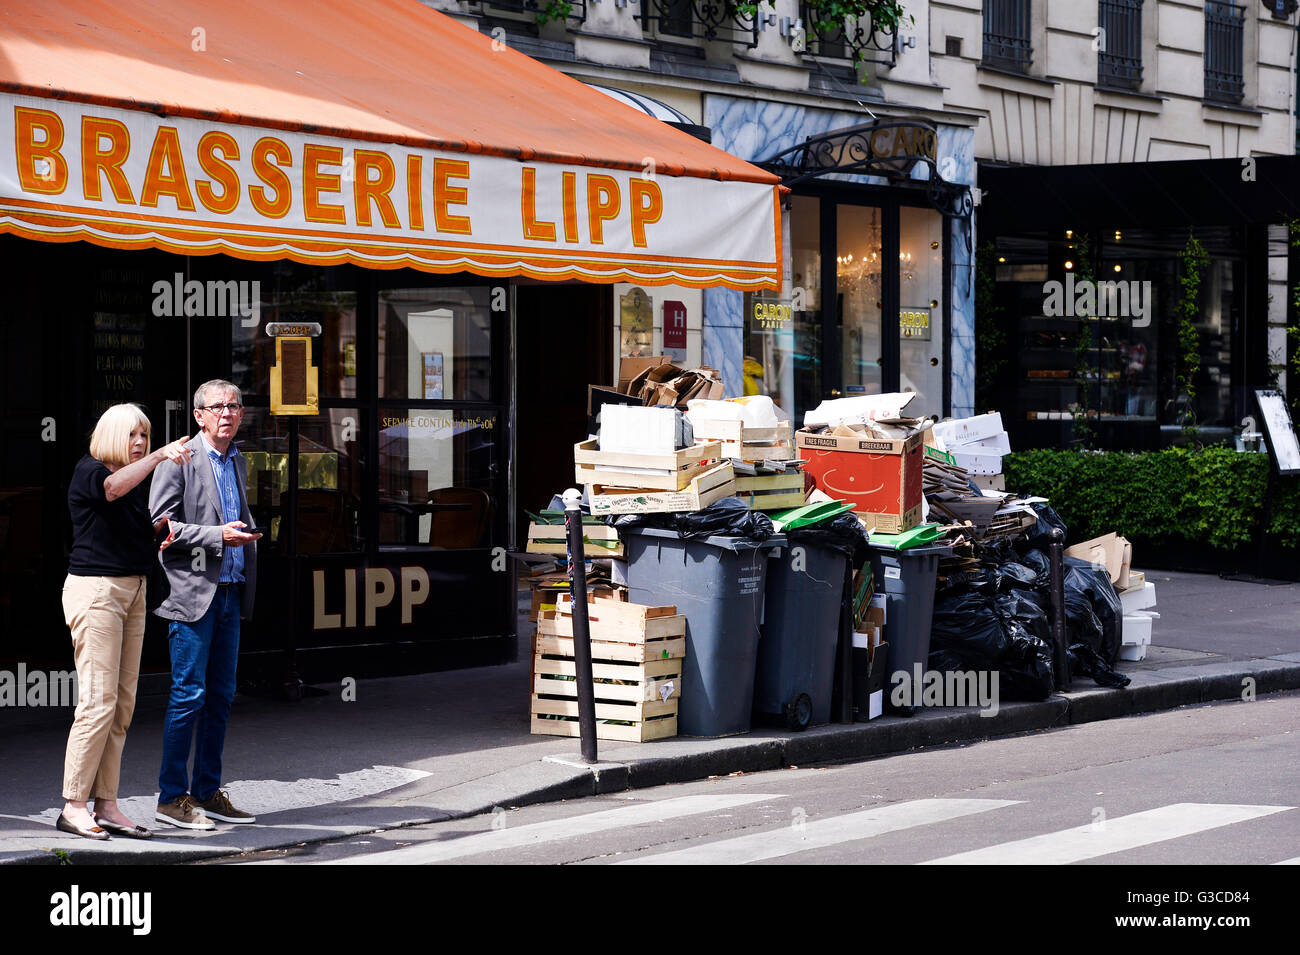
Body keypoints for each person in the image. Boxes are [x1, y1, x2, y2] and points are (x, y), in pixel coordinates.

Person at [60, 404, 192, 840]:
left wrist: (162, 532)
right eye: (133, 435)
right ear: (113, 435)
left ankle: (107, 804)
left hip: (133, 589)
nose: (140, 442)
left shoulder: (135, 477)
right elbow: (110, 490)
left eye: (145, 436)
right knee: (97, 703)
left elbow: (127, 522)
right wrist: (158, 458)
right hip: (97, 591)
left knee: (122, 705)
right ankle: (73, 806)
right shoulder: (91, 469)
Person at [150, 380, 261, 830]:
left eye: (234, 406)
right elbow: (160, 528)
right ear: (198, 415)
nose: (228, 414)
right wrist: (218, 537)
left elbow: (234, 516)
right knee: (188, 696)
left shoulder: (237, 458)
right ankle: (170, 798)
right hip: (193, 595)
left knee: (221, 696)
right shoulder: (180, 459)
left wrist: (248, 537)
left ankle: (207, 791)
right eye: (217, 407)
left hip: (231, 590)